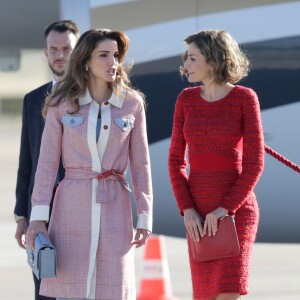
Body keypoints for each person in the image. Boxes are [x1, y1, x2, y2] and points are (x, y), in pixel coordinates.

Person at [26, 28, 153, 300]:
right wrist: (38, 218)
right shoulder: (61, 104)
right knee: (71, 289)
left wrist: (144, 215)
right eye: (104, 55)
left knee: (113, 289)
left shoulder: (132, 104)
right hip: (71, 206)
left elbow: (141, 165)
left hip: (116, 208)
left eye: (116, 56)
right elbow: (47, 165)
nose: (113, 63)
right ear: (86, 61)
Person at [168, 30, 264, 300]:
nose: (185, 64)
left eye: (192, 58)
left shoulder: (245, 98)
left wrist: (225, 209)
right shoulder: (185, 100)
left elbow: (254, 164)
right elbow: (175, 162)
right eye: (186, 58)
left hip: (235, 212)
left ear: (214, 60)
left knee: (228, 292)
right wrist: (186, 209)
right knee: (205, 295)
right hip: (197, 214)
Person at [14, 20, 80, 300]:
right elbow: (26, 161)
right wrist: (21, 215)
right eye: (54, 49)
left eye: (66, 48)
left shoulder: (91, 98)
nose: (60, 55)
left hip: (79, 210)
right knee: (44, 291)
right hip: (41, 214)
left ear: (79, 52)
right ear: (45, 52)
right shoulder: (32, 100)